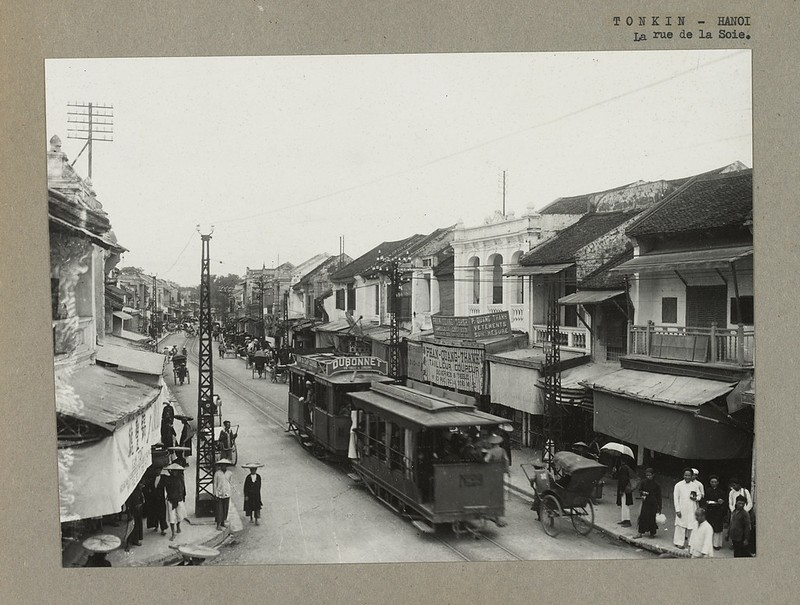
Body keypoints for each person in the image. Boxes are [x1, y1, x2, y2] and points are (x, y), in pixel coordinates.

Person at [673, 468, 703, 548]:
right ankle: (679, 542)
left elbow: (699, 495)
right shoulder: (678, 485)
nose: (687, 477)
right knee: (680, 526)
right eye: (686, 475)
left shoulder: (695, 486)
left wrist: (696, 498)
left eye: (689, 475)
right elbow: (676, 498)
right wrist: (677, 510)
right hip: (682, 508)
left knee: (692, 526)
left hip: (692, 508)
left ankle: (691, 543)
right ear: (683, 475)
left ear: (692, 476)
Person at [634, 467, 662, 539]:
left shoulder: (656, 484)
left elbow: (659, 496)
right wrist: (643, 492)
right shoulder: (643, 482)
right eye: (647, 475)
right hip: (645, 502)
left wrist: (660, 506)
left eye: (650, 475)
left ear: (653, 475)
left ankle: (652, 533)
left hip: (653, 503)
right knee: (642, 517)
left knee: (652, 518)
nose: (648, 477)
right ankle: (640, 532)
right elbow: (640, 490)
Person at [703, 474, 727, 550]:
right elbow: (704, 500)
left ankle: (716, 544)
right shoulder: (707, 490)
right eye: (712, 482)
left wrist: (722, 502)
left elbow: (725, 502)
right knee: (709, 527)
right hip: (710, 511)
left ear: (718, 483)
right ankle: (708, 543)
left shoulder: (721, 492)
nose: (713, 483)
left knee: (717, 529)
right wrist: (706, 502)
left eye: (715, 482)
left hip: (718, 512)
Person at [164, 463, 187, 541]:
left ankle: (178, 526)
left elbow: (183, 488)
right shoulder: (168, 479)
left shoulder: (181, 478)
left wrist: (183, 496)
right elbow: (167, 489)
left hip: (179, 499)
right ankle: (173, 532)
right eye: (173, 471)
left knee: (180, 515)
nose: (174, 473)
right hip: (171, 499)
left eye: (176, 471)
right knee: (171, 517)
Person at [146, 467, 168, 535]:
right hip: (154, 499)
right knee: (154, 512)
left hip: (161, 499)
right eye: (156, 470)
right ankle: (156, 525)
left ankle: (163, 528)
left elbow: (167, 486)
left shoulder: (163, 478)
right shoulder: (152, 479)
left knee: (162, 514)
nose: (157, 471)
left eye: (159, 470)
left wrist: (168, 495)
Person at [214, 459, 234, 531]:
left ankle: (223, 522)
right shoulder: (217, 473)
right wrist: (215, 493)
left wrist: (230, 492)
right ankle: (218, 524)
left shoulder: (229, 473)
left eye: (225, 465)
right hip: (219, 493)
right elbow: (215, 484)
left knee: (225, 509)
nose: (223, 466)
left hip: (227, 493)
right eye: (222, 465)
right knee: (219, 509)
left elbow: (230, 483)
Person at [123, 483, 144, 552]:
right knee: (131, 527)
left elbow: (142, 500)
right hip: (132, 511)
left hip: (138, 511)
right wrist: (129, 514)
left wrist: (140, 505)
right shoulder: (130, 492)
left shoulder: (139, 491)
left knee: (138, 526)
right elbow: (128, 504)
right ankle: (128, 544)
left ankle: (136, 540)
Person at [616, 459, 635, 528]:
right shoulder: (626, 468)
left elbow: (623, 480)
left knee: (625, 505)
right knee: (624, 504)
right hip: (626, 489)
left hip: (625, 490)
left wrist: (621, 490)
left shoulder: (623, 468)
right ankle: (624, 519)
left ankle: (627, 520)